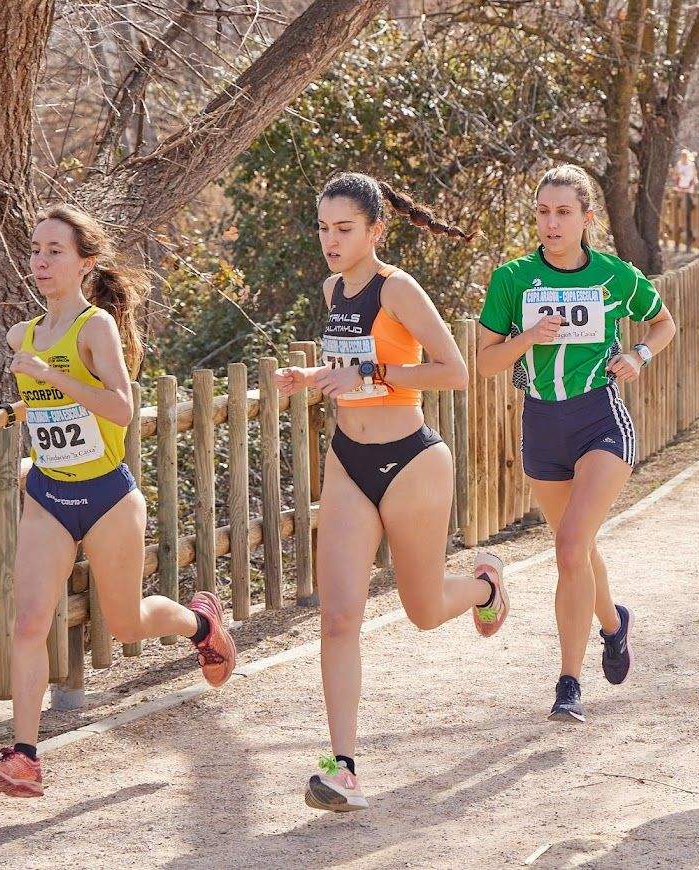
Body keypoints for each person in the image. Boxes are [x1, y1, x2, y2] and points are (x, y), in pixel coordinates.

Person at [0, 205, 238, 798]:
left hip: (109, 497)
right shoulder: (24, 335)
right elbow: (44, 403)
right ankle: (26, 756)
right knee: (29, 621)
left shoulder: (94, 328)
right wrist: (4, 417)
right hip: (48, 495)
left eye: (54, 251)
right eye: (35, 250)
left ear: (85, 262)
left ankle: (201, 623)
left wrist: (51, 375)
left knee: (126, 620)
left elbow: (119, 407)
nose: (40, 261)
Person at [275, 172, 505, 813]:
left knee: (424, 611)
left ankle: (485, 585)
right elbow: (349, 370)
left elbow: (454, 371)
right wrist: (315, 376)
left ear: (375, 230)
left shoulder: (397, 288)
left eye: (344, 229)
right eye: (323, 228)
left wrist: (370, 369)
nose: (330, 240)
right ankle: (342, 764)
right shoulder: (330, 290)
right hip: (347, 461)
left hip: (411, 461)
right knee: (339, 616)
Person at [477, 165, 677, 723]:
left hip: (600, 420)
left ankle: (569, 682)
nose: (551, 222)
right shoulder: (513, 279)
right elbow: (488, 361)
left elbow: (664, 323)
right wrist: (526, 338)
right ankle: (613, 623)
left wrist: (638, 355)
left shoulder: (615, 276)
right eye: (542, 211)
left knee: (568, 549)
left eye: (563, 212)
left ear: (587, 219)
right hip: (542, 424)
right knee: (579, 547)